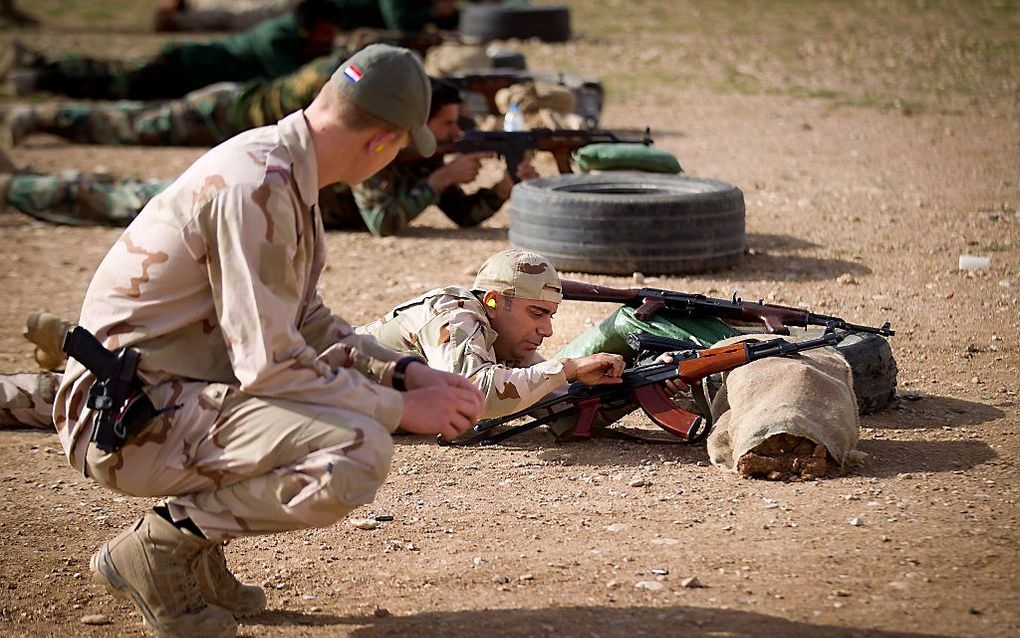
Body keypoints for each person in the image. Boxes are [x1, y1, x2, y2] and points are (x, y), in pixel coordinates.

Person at [45, 44, 483, 638]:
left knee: (338, 408)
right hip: (125, 420)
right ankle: (161, 548)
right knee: (356, 448)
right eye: (401, 147)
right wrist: (402, 409)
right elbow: (272, 366)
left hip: (164, 397)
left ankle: (196, 551)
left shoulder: (283, 173)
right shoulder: (257, 188)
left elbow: (308, 321)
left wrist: (403, 372)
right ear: (382, 143)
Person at [1, 78, 535, 235]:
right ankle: (15, 188)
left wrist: (502, 191)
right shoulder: (387, 149)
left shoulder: (417, 154)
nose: (459, 131)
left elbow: (464, 216)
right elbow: (383, 219)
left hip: (281, 209)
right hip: (254, 198)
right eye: (448, 123)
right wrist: (441, 177)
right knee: (124, 199)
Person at [359, 248, 626, 419]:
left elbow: (567, 414)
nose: (547, 330)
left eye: (550, 315)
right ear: (493, 302)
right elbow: (474, 395)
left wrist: (645, 384)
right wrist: (568, 368)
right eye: (536, 313)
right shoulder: (453, 314)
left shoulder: (506, 342)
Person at [0, 0, 339, 100]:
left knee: (114, 72)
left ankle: (37, 62)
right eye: (329, 29)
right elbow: (287, 82)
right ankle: (40, 77)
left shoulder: (291, 31)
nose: (331, 35)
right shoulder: (279, 39)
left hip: (186, 65)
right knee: (115, 84)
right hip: (184, 70)